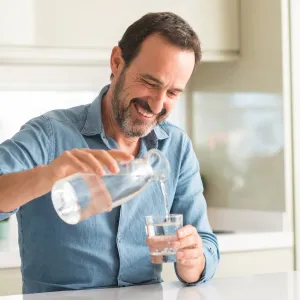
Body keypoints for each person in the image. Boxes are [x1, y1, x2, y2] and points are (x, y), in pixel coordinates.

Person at [0, 12, 219, 294]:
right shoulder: (51, 134)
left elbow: (205, 243)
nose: (157, 104)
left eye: (173, 93)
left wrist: (193, 259)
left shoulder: (175, 146)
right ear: (117, 62)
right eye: (151, 83)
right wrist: (50, 174)